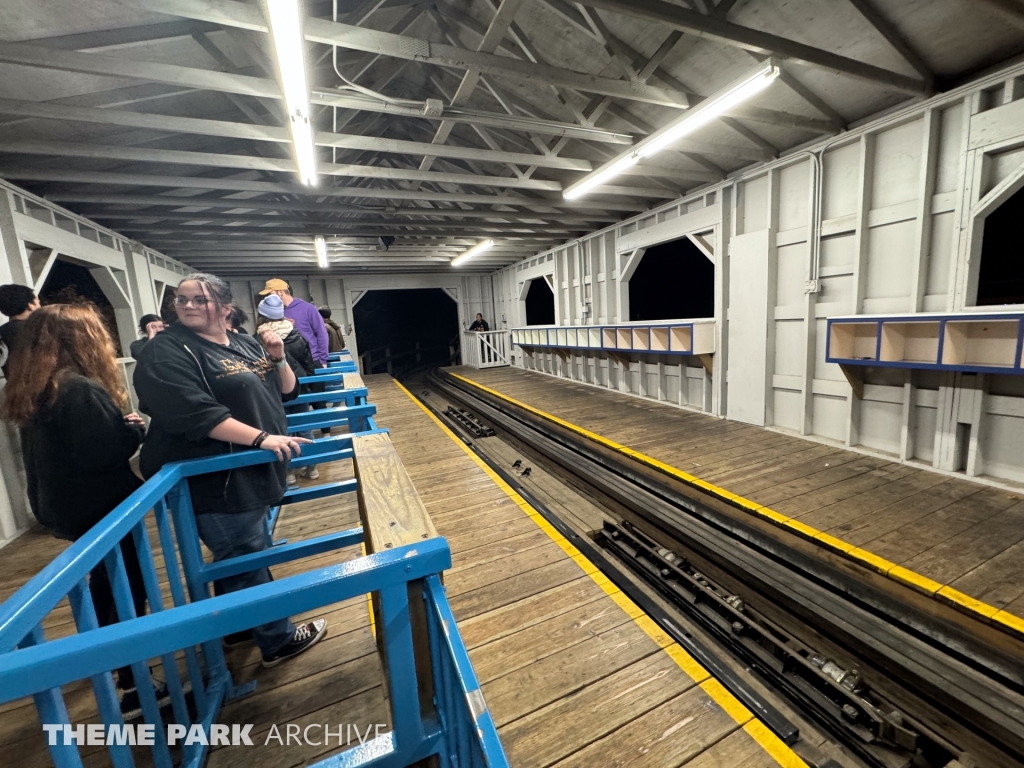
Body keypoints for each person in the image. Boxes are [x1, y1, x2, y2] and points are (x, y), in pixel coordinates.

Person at [134, 273, 327, 668]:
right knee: (245, 555)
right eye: (182, 299)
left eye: (199, 299)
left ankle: (239, 626)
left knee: (239, 553)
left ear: (224, 307)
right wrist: (262, 438)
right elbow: (193, 413)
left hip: (250, 471)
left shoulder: (242, 342)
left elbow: (288, 391)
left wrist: (277, 357)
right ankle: (278, 640)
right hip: (217, 477)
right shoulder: (166, 351)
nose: (187, 306)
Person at [0, 303, 160, 717]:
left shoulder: (38, 386)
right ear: (84, 340)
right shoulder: (80, 389)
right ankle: (132, 683)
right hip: (100, 506)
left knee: (104, 582)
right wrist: (133, 430)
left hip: (64, 506)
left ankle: (106, 660)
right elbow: (103, 453)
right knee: (127, 586)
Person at [258, 294, 319, 482]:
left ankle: (289, 472)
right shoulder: (297, 335)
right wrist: (308, 383)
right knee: (305, 428)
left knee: (283, 431)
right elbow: (309, 363)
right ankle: (312, 468)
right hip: (300, 390)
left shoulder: (258, 340)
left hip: (274, 393)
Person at [257, 279, 329, 368]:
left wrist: (322, 360)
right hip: (285, 363)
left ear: (281, 292)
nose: (268, 298)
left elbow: (322, 334)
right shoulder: (274, 313)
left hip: (312, 360)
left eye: (270, 294)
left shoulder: (308, 309)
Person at [0, 284, 40, 379]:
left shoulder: (2, 332)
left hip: (14, 385)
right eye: (38, 302)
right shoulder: (40, 329)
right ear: (31, 305)